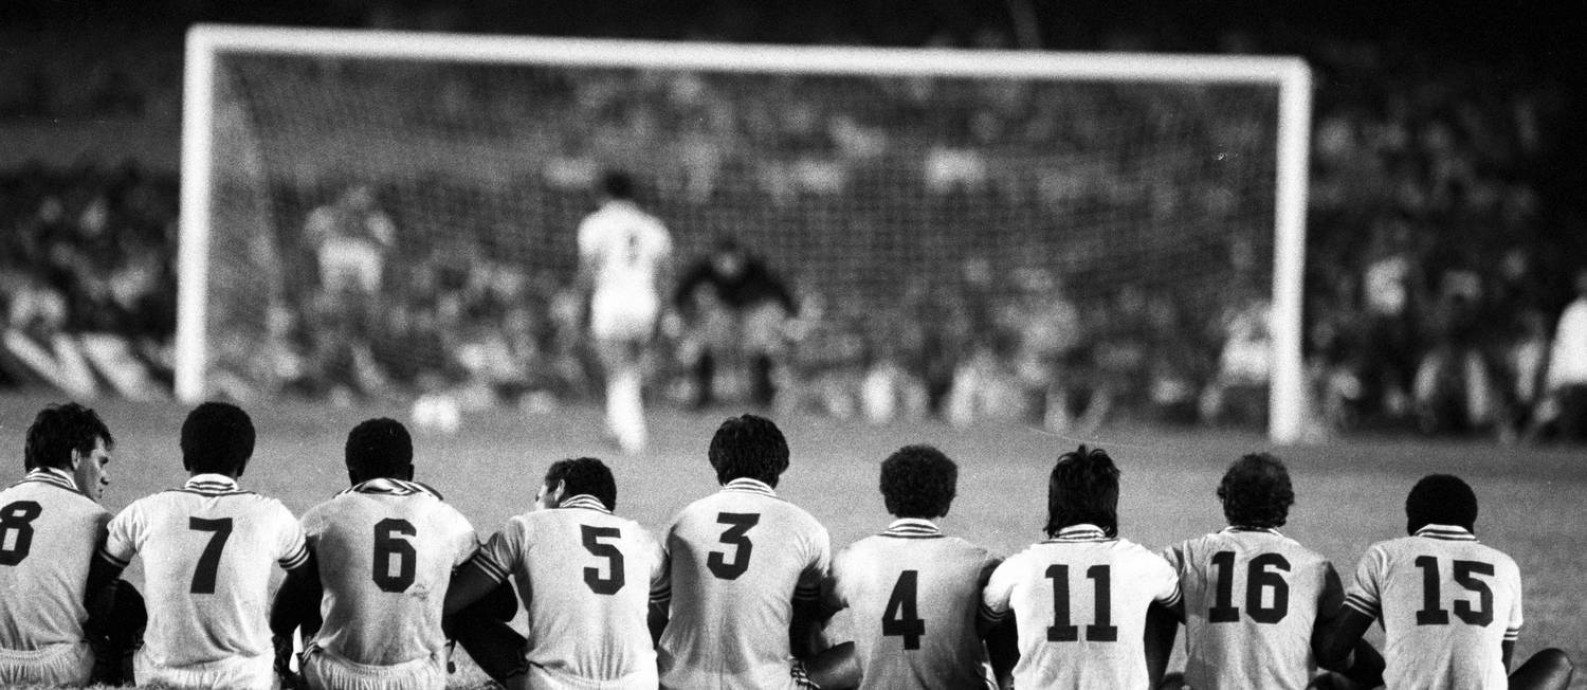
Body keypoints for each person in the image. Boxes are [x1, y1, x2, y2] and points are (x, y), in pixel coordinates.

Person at [89, 401, 316, 690]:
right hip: (246, 679)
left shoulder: (144, 511)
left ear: (185, 459)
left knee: (121, 594)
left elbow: (97, 580)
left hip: (160, 676)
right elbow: (310, 584)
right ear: (243, 463)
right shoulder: (271, 514)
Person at [271, 418, 479, 690]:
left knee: (312, 576)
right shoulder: (449, 519)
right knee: (450, 580)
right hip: (422, 680)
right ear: (411, 472)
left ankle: (295, 673)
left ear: (352, 476)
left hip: (337, 679)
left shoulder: (323, 517)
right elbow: (495, 598)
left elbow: (281, 617)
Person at [652, 414, 855, 689]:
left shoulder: (683, 519)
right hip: (761, 684)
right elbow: (802, 639)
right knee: (871, 651)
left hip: (675, 680)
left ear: (717, 464)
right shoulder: (807, 528)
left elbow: (661, 611)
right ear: (781, 465)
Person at [1319, 474, 1575, 690]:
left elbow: (1333, 650)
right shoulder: (1505, 565)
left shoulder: (1385, 555)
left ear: (1411, 522)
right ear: (1470, 522)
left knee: (1338, 660)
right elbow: (1500, 666)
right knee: (1557, 662)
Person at [1157, 453, 1382, 689]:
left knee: (1172, 681)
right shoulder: (1316, 568)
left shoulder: (1188, 554)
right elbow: (1338, 650)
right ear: (1284, 506)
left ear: (1224, 500)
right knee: (1335, 674)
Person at [444, 457, 667, 688]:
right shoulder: (646, 541)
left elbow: (451, 601)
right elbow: (660, 623)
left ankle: (430, 671)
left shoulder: (525, 527)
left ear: (560, 488)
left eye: (538, 496)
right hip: (637, 684)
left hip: (554, 684)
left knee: (464, 609)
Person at [980, 444, 1181, 689]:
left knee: (1002, 605)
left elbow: (984, 621)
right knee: (1160, 602)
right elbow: (1181, 608)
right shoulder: (1144, 563)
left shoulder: (1019, 566)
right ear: (1110, 504)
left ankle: (1008, 683)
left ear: (1054, 503)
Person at [818, 444, 1010, 689]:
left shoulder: (850, 558)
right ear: (947, 504)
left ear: (888, 501)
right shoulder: (980, 562)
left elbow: (811, 617)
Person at [0, 402, 144, 687]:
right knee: (124, 598)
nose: (106, 476)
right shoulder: (95, 517)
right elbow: (101, 609)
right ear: (76, 457)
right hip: (59, 667)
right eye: (101, 461)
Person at [576, 169, 674, 455]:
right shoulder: (654, 226)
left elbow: (586, 271)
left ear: (603, 192)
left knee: (617, 369)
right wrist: (664, 310)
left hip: (611, 300)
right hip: (645, 300)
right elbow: (665, 274)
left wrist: (577, 303)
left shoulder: (594, 224)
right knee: (627, 367)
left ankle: (631, 433)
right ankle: (616, 427)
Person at [673, 235, 800, 410]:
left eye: (732, 260)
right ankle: (701, 396)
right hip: (720, 321)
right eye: (723, 261)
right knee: (696, 348)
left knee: (767, 347)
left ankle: (766, 396)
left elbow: (781, 292)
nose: (728, 266)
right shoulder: (704, 271)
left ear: (740, 258)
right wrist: (677, 317)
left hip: (749, 321)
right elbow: (681, 294)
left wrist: (792, 317)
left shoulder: (755, 270)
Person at [1540, 268, 1587, 440]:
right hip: (1576, 382)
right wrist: (1555, 378)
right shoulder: (1571, 313)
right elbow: (1562, 348)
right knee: (1572, 436)